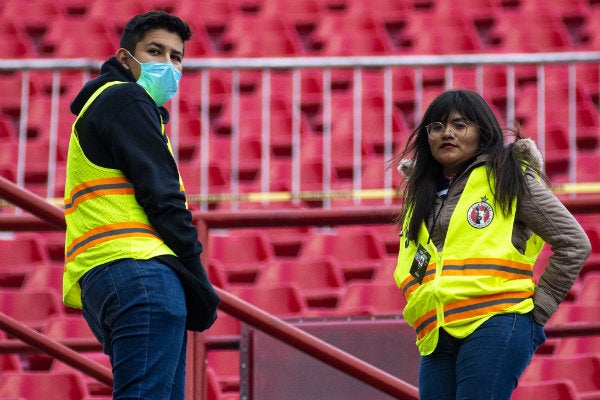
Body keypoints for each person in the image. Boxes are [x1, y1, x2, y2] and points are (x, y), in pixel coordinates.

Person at [391, 89, 591, 399]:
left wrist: (537, 312)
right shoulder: (420, 195)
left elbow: (574, 242)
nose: (447, 133)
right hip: (436, 333)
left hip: (496, 320)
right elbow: (413, 266)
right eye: (437, 126)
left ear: (482, 131)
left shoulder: (508, 175)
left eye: (460, 125)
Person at [63, 11, 219, 400]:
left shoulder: (108, 104)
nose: (167, 65)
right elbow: (163, 196)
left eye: (176, 56)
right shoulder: (126, 99)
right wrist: (196, 272)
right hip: (139, 273)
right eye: (154, 51)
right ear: (123, 59)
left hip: (109, 276)